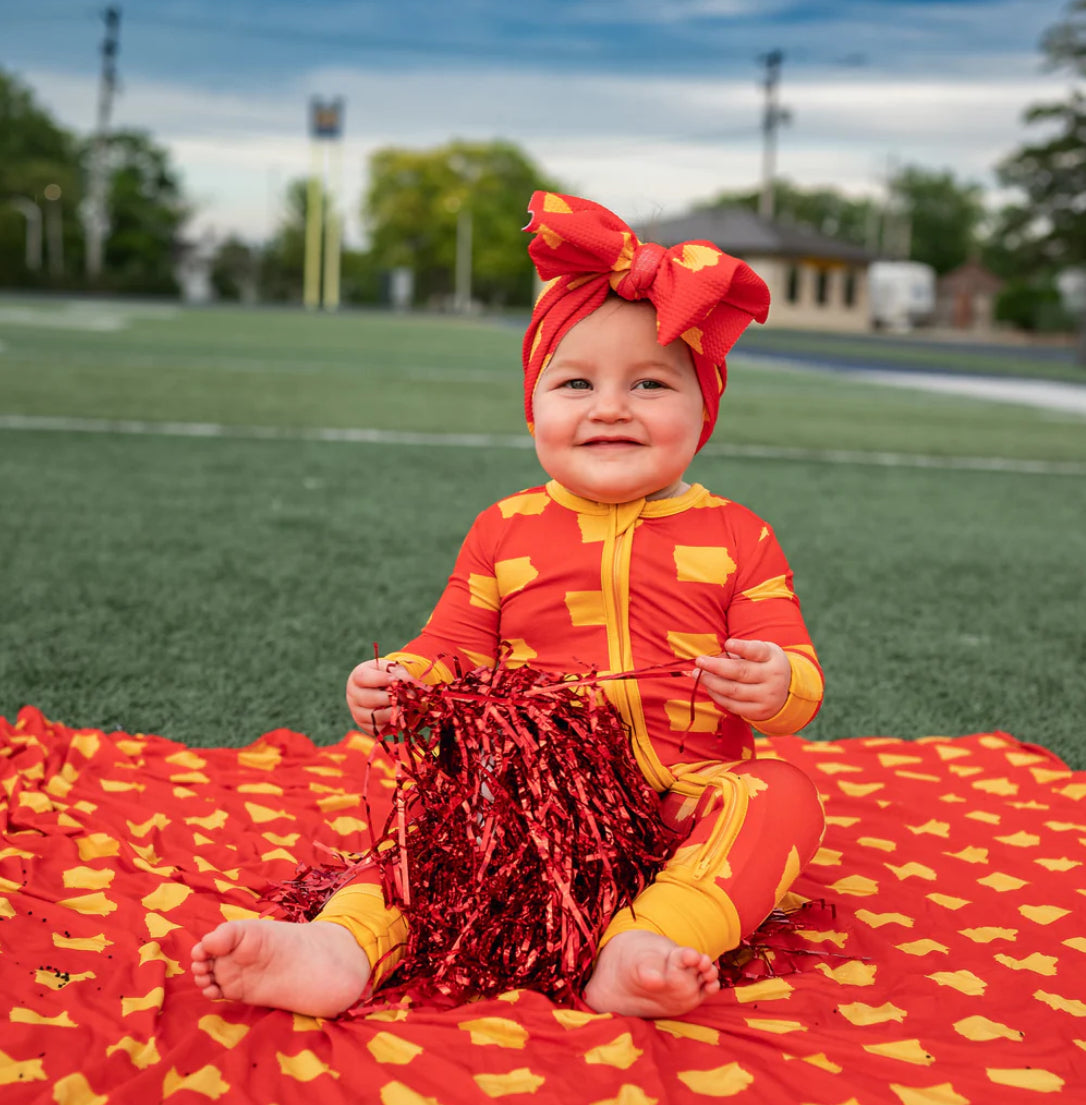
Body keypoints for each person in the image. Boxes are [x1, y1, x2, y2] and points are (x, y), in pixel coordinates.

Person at [191, 191, 826, 1020]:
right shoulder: (504, 528)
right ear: (534, 406)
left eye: (650, 383)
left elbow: (799, 680)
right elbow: (448, 646)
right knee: (430, 806)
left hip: (685, 799)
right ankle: (341, 946)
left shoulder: (741, 535)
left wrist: (775, 685)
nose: (609, 406)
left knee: (783, 792)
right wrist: (394, 682)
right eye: (575, 382)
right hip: (527, 804)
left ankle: (649, 940)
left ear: (704, 407)